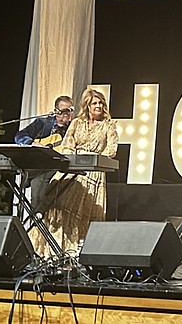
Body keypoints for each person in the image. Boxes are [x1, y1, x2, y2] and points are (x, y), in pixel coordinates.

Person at [29, 88, 119, 256]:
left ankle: (78, 252)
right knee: (57, 203)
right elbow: (68, 144)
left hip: (93, 173)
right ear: (87, 105)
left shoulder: (109, 126)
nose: (98, 106)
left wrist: (92, 158)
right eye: (94, 103)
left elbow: (111, 150)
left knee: (84, 211)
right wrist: (73, 158)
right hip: (72, 168)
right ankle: (53, 250)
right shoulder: (77, 123)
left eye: (100, 103)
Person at [14, 94, 74, 214]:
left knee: (40, 180)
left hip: (56, 165)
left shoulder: (72, 127)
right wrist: (32, 143)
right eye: (62, 112)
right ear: (56, 111)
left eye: (68, 113)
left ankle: (38, 214)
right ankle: (38, 214)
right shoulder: (43, 122)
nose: (64, 116)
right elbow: (19, 136)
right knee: (38, 180)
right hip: (38, 163)